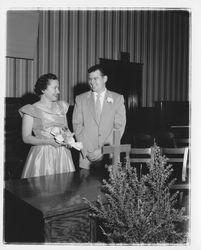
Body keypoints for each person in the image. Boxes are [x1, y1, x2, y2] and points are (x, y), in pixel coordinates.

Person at [19, 73, 75, 178]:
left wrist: (69, 139)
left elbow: (66, 129)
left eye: (58, 88)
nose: (58, 91)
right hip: (42, 155)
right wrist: (48, 141)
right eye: (55, 88)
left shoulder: (62, 106)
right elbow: (26, 138)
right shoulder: (31, 109)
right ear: (43, 90)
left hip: (63, 155)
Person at [72, 64, 126, 170]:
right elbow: (77, 126)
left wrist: (103, 150)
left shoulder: (118, 98)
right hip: (87, 157)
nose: (92, 82)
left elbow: (118, 127)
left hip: (110, 155)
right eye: (90, 79)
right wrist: (87, 151)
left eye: (95, 78)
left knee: (110, 186)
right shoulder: (80, 99)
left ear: (105, 79)